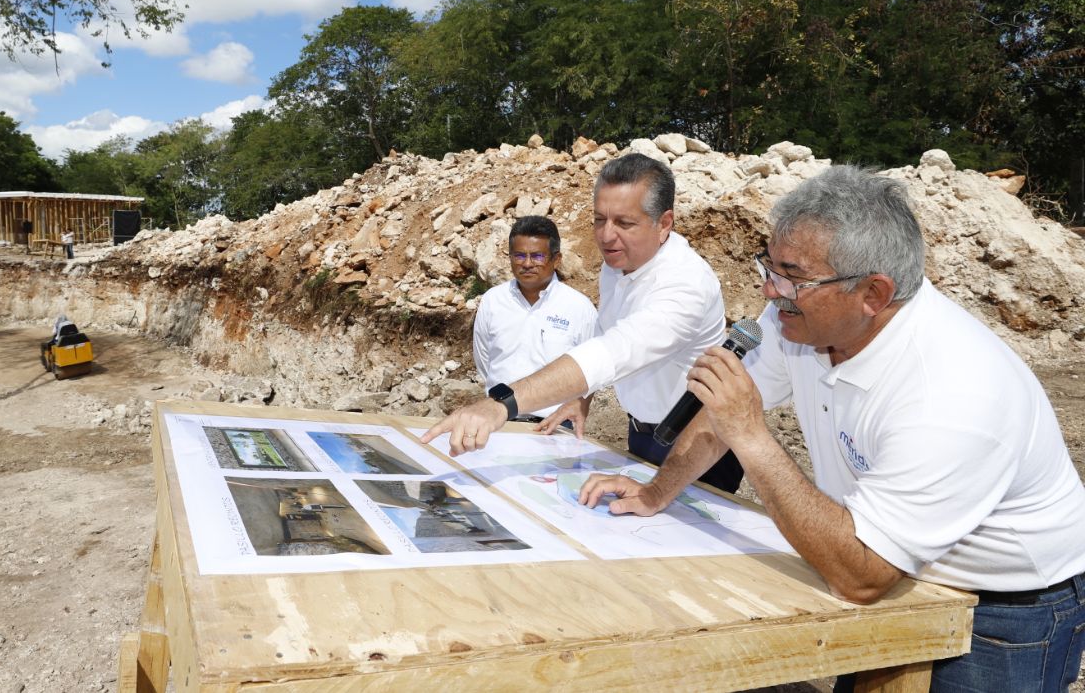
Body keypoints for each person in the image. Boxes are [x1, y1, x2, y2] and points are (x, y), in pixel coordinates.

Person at [581, 166, 1085, 692]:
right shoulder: (798, 323)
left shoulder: (953, 389)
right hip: (893, 559)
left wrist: (752, 434)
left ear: (873, 292)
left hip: (1004, 605)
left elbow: (862, 576)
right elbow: (720, 411)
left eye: (792, 276)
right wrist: (657, 491)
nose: (769, 290)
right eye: (768, 266)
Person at [424, 152, 745, 495]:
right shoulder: (618, 262)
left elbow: (614, 351)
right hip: (641, 433)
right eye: (599, 219)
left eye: (624, 223)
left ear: (664, 223)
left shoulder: (686, 284)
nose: (606, 236)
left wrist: (502, 404)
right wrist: (582, 397)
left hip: (697, 444)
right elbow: (606, 331)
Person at [472, 216, 598, 426]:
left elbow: (592, 367)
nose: (527, 264)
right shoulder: (492, 301)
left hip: (554, 426)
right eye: (519, 255)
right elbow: (484, 360)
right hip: (499, 423)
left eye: (537, 256)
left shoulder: (579, 308)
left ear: (556, 259)